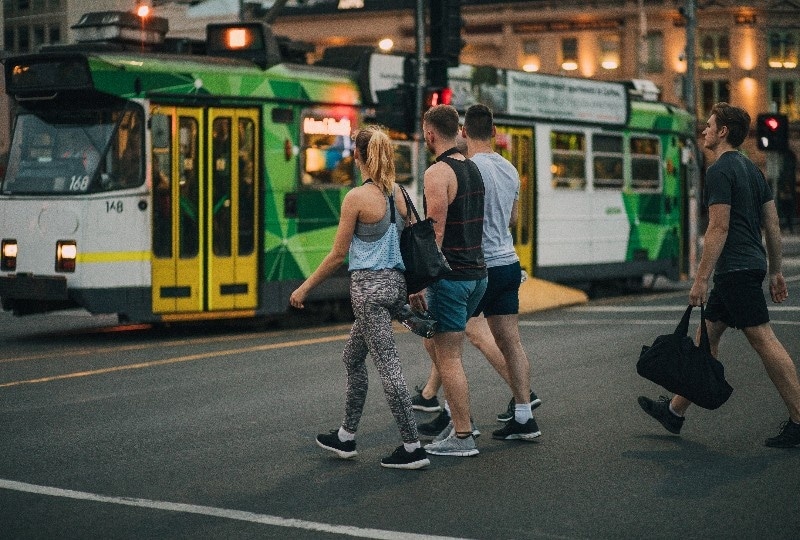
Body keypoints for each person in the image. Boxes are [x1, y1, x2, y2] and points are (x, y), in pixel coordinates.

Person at [637, 102, 800, 448]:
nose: (704, 131)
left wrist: (700, 279)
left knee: (764, 340)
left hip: (735, 269)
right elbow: (771, 224)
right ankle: (675, 412)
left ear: (723, 132)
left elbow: (718, 227)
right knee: (706, 337)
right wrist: (774, 271)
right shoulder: (753, 171)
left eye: (709, 126)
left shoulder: (720, 171)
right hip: (746, 266)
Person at [289, 125, 429, 469]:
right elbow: (415, 246)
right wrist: (416, 289)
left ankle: (413, 448)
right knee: (352, 358)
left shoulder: (356, 198)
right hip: (396, 286)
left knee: (389, 367)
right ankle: (346, 437)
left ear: (360, 157)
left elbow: (338, 255)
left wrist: (305, 288)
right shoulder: (401, 195)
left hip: (368, 293)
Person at [414, 104, 541, 442]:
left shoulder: (467, 169)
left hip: (475, 266)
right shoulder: (510, 169)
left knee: (443, 343)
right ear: (495, 131)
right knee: (510, 342)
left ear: (464, 132)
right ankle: (524, 413)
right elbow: (513, 219)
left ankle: (458, 421)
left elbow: (456, 219)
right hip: (509, 263)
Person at [408, 105, 487, 457]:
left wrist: (420, 282)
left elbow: (434, 232)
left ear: (430, 134)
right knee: (436, 345)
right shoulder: (473, 169)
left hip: (451, 277)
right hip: (477, 275)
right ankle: (458, 416)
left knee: (449, 356)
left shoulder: (438, 173)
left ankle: (463, 434)